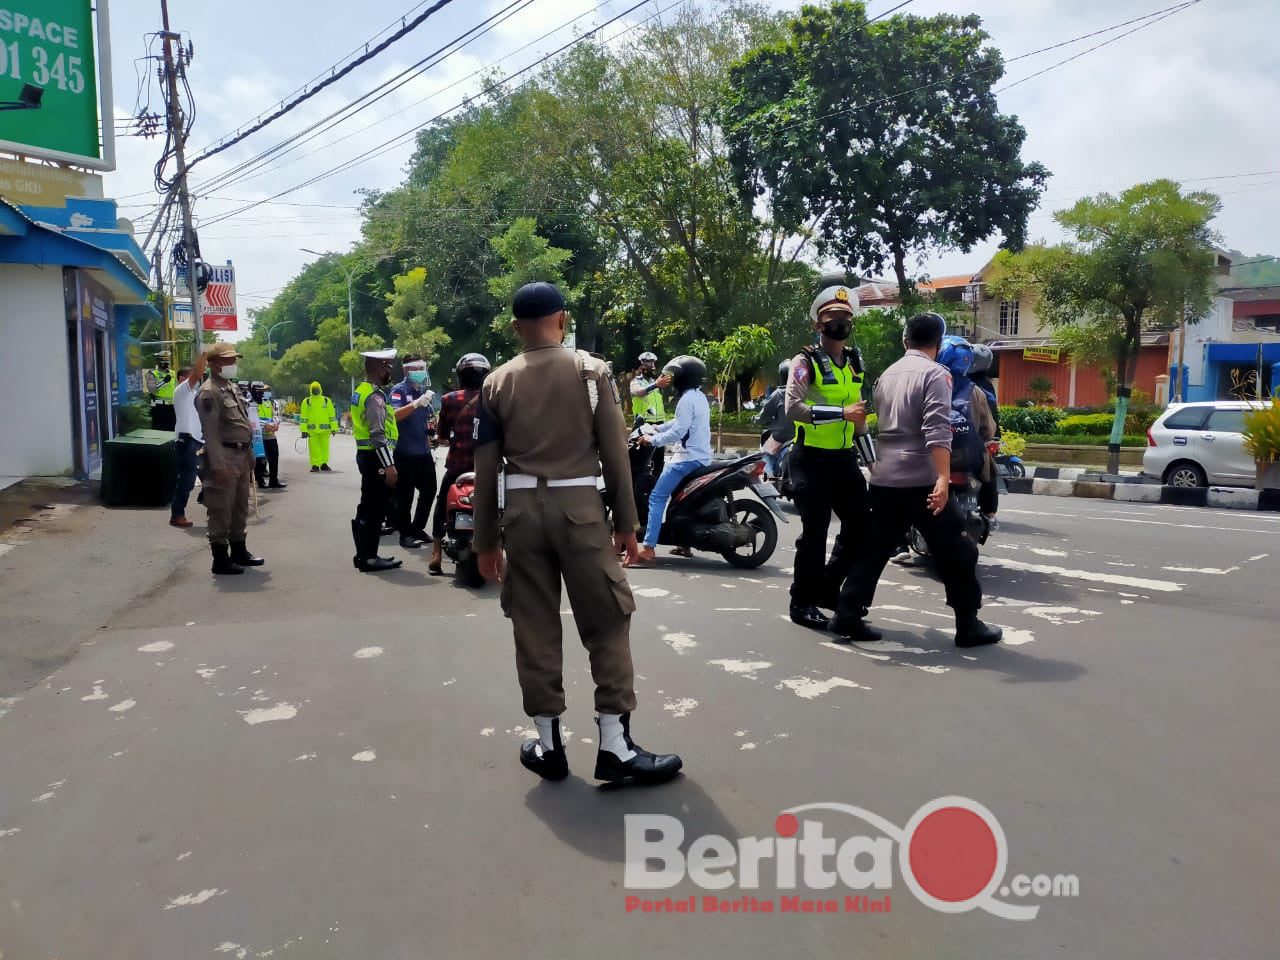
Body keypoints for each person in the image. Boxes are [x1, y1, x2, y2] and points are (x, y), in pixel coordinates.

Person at [473, 282, 682, 787]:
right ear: (562, 319)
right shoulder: (592, 371)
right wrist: (627, 525)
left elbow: (484, 470)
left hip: (521, 516)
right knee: (608, 620)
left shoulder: (495, 383)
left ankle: (548, 747)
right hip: (582, 513)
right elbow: (615, 454)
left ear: (515, 326)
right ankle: (615, 746)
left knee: (534, 626)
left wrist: (485, 542)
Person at [831, 313, 1002, 648]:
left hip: (884, 478)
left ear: (905, 341)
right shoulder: (936, 374)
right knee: (959, 551)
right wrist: (941, 479)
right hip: (921, 480)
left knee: (874, 550)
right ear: (937, 344)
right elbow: (937, 430)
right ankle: (968, 624)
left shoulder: (887, 375)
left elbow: (879, 423)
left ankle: (846, 614)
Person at [783, 285, 871, 631]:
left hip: (844, 459)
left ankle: (827, 587)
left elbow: (859, 416)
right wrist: (840, 413)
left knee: (861, 525)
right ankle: (801, 602)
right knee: (815, 532)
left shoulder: (854, 361)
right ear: (819, 325)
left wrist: (874, 463)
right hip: (811, 459)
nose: (841, 323)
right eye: (833, 318)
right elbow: (794, 408)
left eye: (846, 317)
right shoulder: (804, 362)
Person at [631, 356, 712, 565]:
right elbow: (678, 422)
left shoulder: (685, 400)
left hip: (685, 458)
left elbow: (679, 431)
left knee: (656, 498)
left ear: (684, 377)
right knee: (681, 500)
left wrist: (652, 439)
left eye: (675, 375)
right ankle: (684, 545)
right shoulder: (699, 397)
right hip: (701, 457)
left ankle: (648, 548)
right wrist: (658, 427)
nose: (672, 379)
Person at [196, 344, 265, 576]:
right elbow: (210, 432)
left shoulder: (230, 388)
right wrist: (217, 466)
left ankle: (239, 550)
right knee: (220, 509)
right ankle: (220, 559)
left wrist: (250, 454)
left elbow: (242, 423)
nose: (233, 365)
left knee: (239, 507)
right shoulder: (209, 391)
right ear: (215, 364)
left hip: (240, 456)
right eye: (229, 361)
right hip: (223, 457)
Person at [428, 352, 490, 575]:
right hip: (487, 470)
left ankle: (436, 554)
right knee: (504, 505)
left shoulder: (449, 400)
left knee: (441, 504)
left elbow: (442, 435)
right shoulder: (493, 398)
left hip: (457, 469)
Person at [350, 348, 403, 573]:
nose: (390, 370)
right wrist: (389, 465)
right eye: (388, 366)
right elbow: (378, 435)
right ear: (380, 367)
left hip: (366, 456)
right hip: (376, 458)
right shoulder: (374, 396)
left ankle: (362, 554)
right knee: (375, 509)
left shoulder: (360, 390)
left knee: (366, 506)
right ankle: (369, 557)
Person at [388, 356, 438, 550]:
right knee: (405, 495)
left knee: (429, 490)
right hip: (405, 452)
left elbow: (426, 420)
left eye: (423, 368)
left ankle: (417, 527)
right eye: (416, 368)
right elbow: (393, 415)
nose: (421, 371)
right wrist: (415, 404)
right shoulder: (399, 391)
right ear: (407, 370)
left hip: (423, 451)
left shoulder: (423, 391)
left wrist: (431, 434)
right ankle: (405, 533)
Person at [169, 352, 208, 529]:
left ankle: (212, 508)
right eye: (192, 376)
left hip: (199, 440)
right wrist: (206, 353)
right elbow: (199, 373)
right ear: (182, 379)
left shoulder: (195, 395)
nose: (197, 379)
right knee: (187, 480)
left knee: (210, 477)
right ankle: (177, 515)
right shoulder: (182, 391)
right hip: (187, 441)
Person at [969, 343, 1001, 527]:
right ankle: (990, 513)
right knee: (989, 469)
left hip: (957, 439)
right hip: (981, 438)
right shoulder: (986, 386)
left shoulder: (950, 381)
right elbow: (991, 422)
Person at [756, 360, 791, 479]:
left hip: (782, 439)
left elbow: (764, 415)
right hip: (803, 438)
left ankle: (770, 479)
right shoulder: (806, 393)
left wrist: (755, 419)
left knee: (766, 452)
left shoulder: (778, 394)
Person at [251, 382, 287, 490]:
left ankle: (273, 481)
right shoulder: (252, 403)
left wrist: (276, 424)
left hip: (270, 434)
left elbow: (275, 415)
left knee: (274, 457)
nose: (264, 393)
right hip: (258, 435)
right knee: (260, 460)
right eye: (262, 391)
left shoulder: (269, 403)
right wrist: (264, 425)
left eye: (265, 391)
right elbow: (252, 419)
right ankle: (260, 481)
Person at [299, 381, 338, 472]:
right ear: (311, 390)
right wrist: (303, 430)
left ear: (320, 389)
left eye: (317, 388)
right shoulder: (307, 401)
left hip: (325, 430)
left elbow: (332, 416)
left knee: (325, 447)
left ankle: (324, 464)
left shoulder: (326, 400)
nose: (315, 390)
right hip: (312, 430)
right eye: (314, 389)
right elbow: (303, 418)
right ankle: (315, 465)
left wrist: (334, 428)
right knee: (314, 448)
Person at [145, 351, 177, 431]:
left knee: (172, 430)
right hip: (159, 407)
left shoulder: (173, 373)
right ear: (158, 362)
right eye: (163, 362)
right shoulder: (151, 374)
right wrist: (163, 382)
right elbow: (152, 390)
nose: (166, 364)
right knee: (159, 430)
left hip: (172, 407)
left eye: (167, 362)